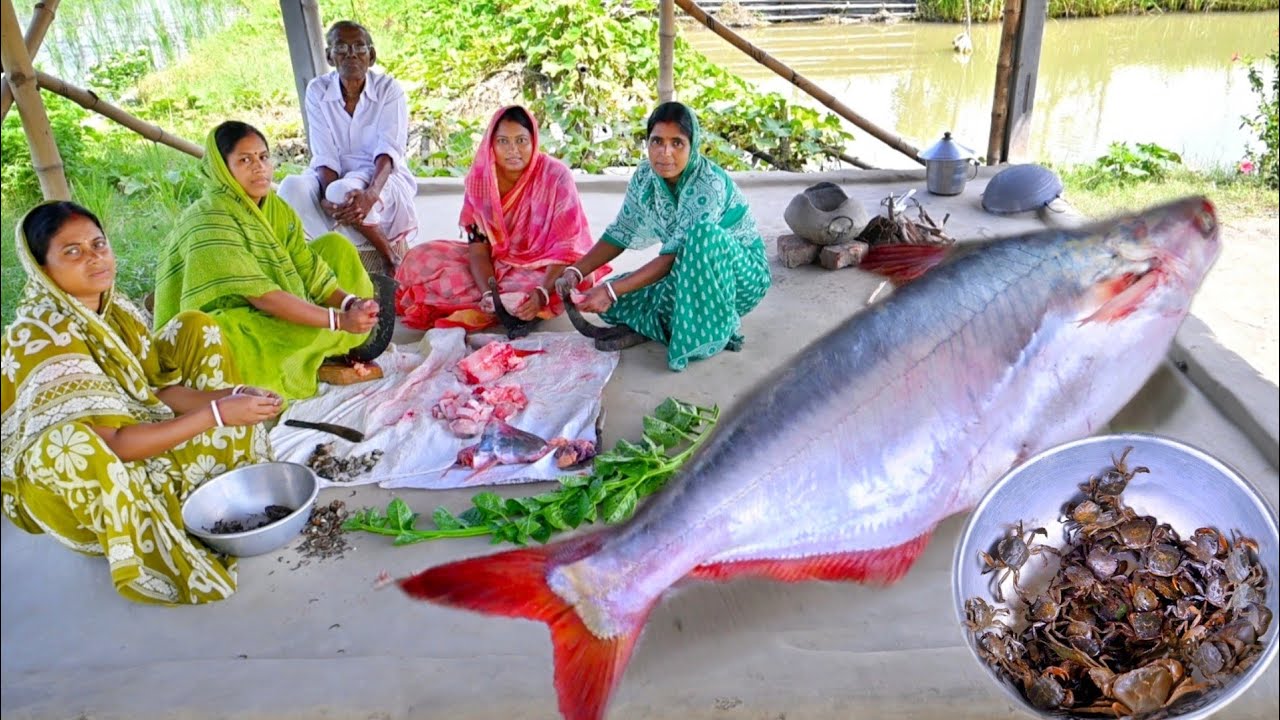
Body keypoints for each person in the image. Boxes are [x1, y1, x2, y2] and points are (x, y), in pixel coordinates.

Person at [1, 201, 282, 605]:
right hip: (85, 482)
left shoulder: (115, 310)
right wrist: (214, 416)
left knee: (195, 327)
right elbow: (112, 445)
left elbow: (156, 392)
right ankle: (132, 524)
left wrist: (231, 398)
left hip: (133, 427)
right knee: (71, 444)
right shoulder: (42, 335)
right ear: (42, 269)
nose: (95, 257)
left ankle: (193, 489)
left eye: (99, 244)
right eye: (72, 251)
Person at [154, 120, 394, 401]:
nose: (259, 167)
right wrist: (339, 321)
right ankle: (293, 361)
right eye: (245, 160)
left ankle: (315, 350)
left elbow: (307, 267)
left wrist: (349, 303)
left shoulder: (275, 208)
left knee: (335, 246)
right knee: (234, 334)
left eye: (263, 157)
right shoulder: (209, 219)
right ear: (222, 168)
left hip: (273, 302)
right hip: (225, 320)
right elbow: (263, 297)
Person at [558, 101, 771, 371]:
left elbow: (671, 258)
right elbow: (621, 232)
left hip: (738, 278)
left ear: (693, 146)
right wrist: (576, 272)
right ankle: (671, 319)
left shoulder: (709, 184)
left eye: (677, 143)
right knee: (614, 304)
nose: (665, 153)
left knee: (703, 235)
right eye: (657, 141)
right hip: (686, 270)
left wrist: (610, 291)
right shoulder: (646, 177)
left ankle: (704, 329)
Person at [394, 105, 606, 332]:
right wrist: (488, 293)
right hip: (499, 261)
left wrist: (543, 293)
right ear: (491, 144)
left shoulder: (556, 176)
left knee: (570, 280)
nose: (513, 150)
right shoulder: (481, 181)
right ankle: (498, 302)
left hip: (546, 267)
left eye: (521, 141)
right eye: (503, 141)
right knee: (418, 259)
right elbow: (478, 249)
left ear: (533, 141)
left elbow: (568, 248)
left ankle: (523, 301)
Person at [277, 20, 418, 274]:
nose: (351, 54)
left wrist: (371, 194)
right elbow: (325, 153)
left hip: (381, 179)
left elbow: (389, 150)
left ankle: (389, 257)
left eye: (359, 47)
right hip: (330, 176)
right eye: (341, 48)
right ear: (329, 57)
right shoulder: (317, 90)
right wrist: (323, 198)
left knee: (342, 191)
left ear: (371, 56)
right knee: (291, 187)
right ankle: (318, 267)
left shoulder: (389, 89)